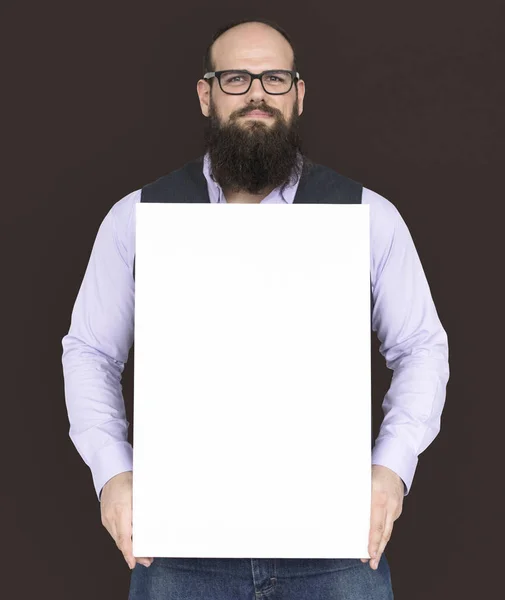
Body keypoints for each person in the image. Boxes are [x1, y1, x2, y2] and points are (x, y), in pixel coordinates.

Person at [61, 17, 450, 600]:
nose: (257, 94)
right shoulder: (135, 218)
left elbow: (422, 347)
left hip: (335, 550)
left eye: (274, 78)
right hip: (178, 552)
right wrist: (114, 474)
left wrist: (390, 470)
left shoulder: (369, 216)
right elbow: (90, 351)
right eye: (237, 78)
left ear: (298, 94)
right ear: (206, 94)